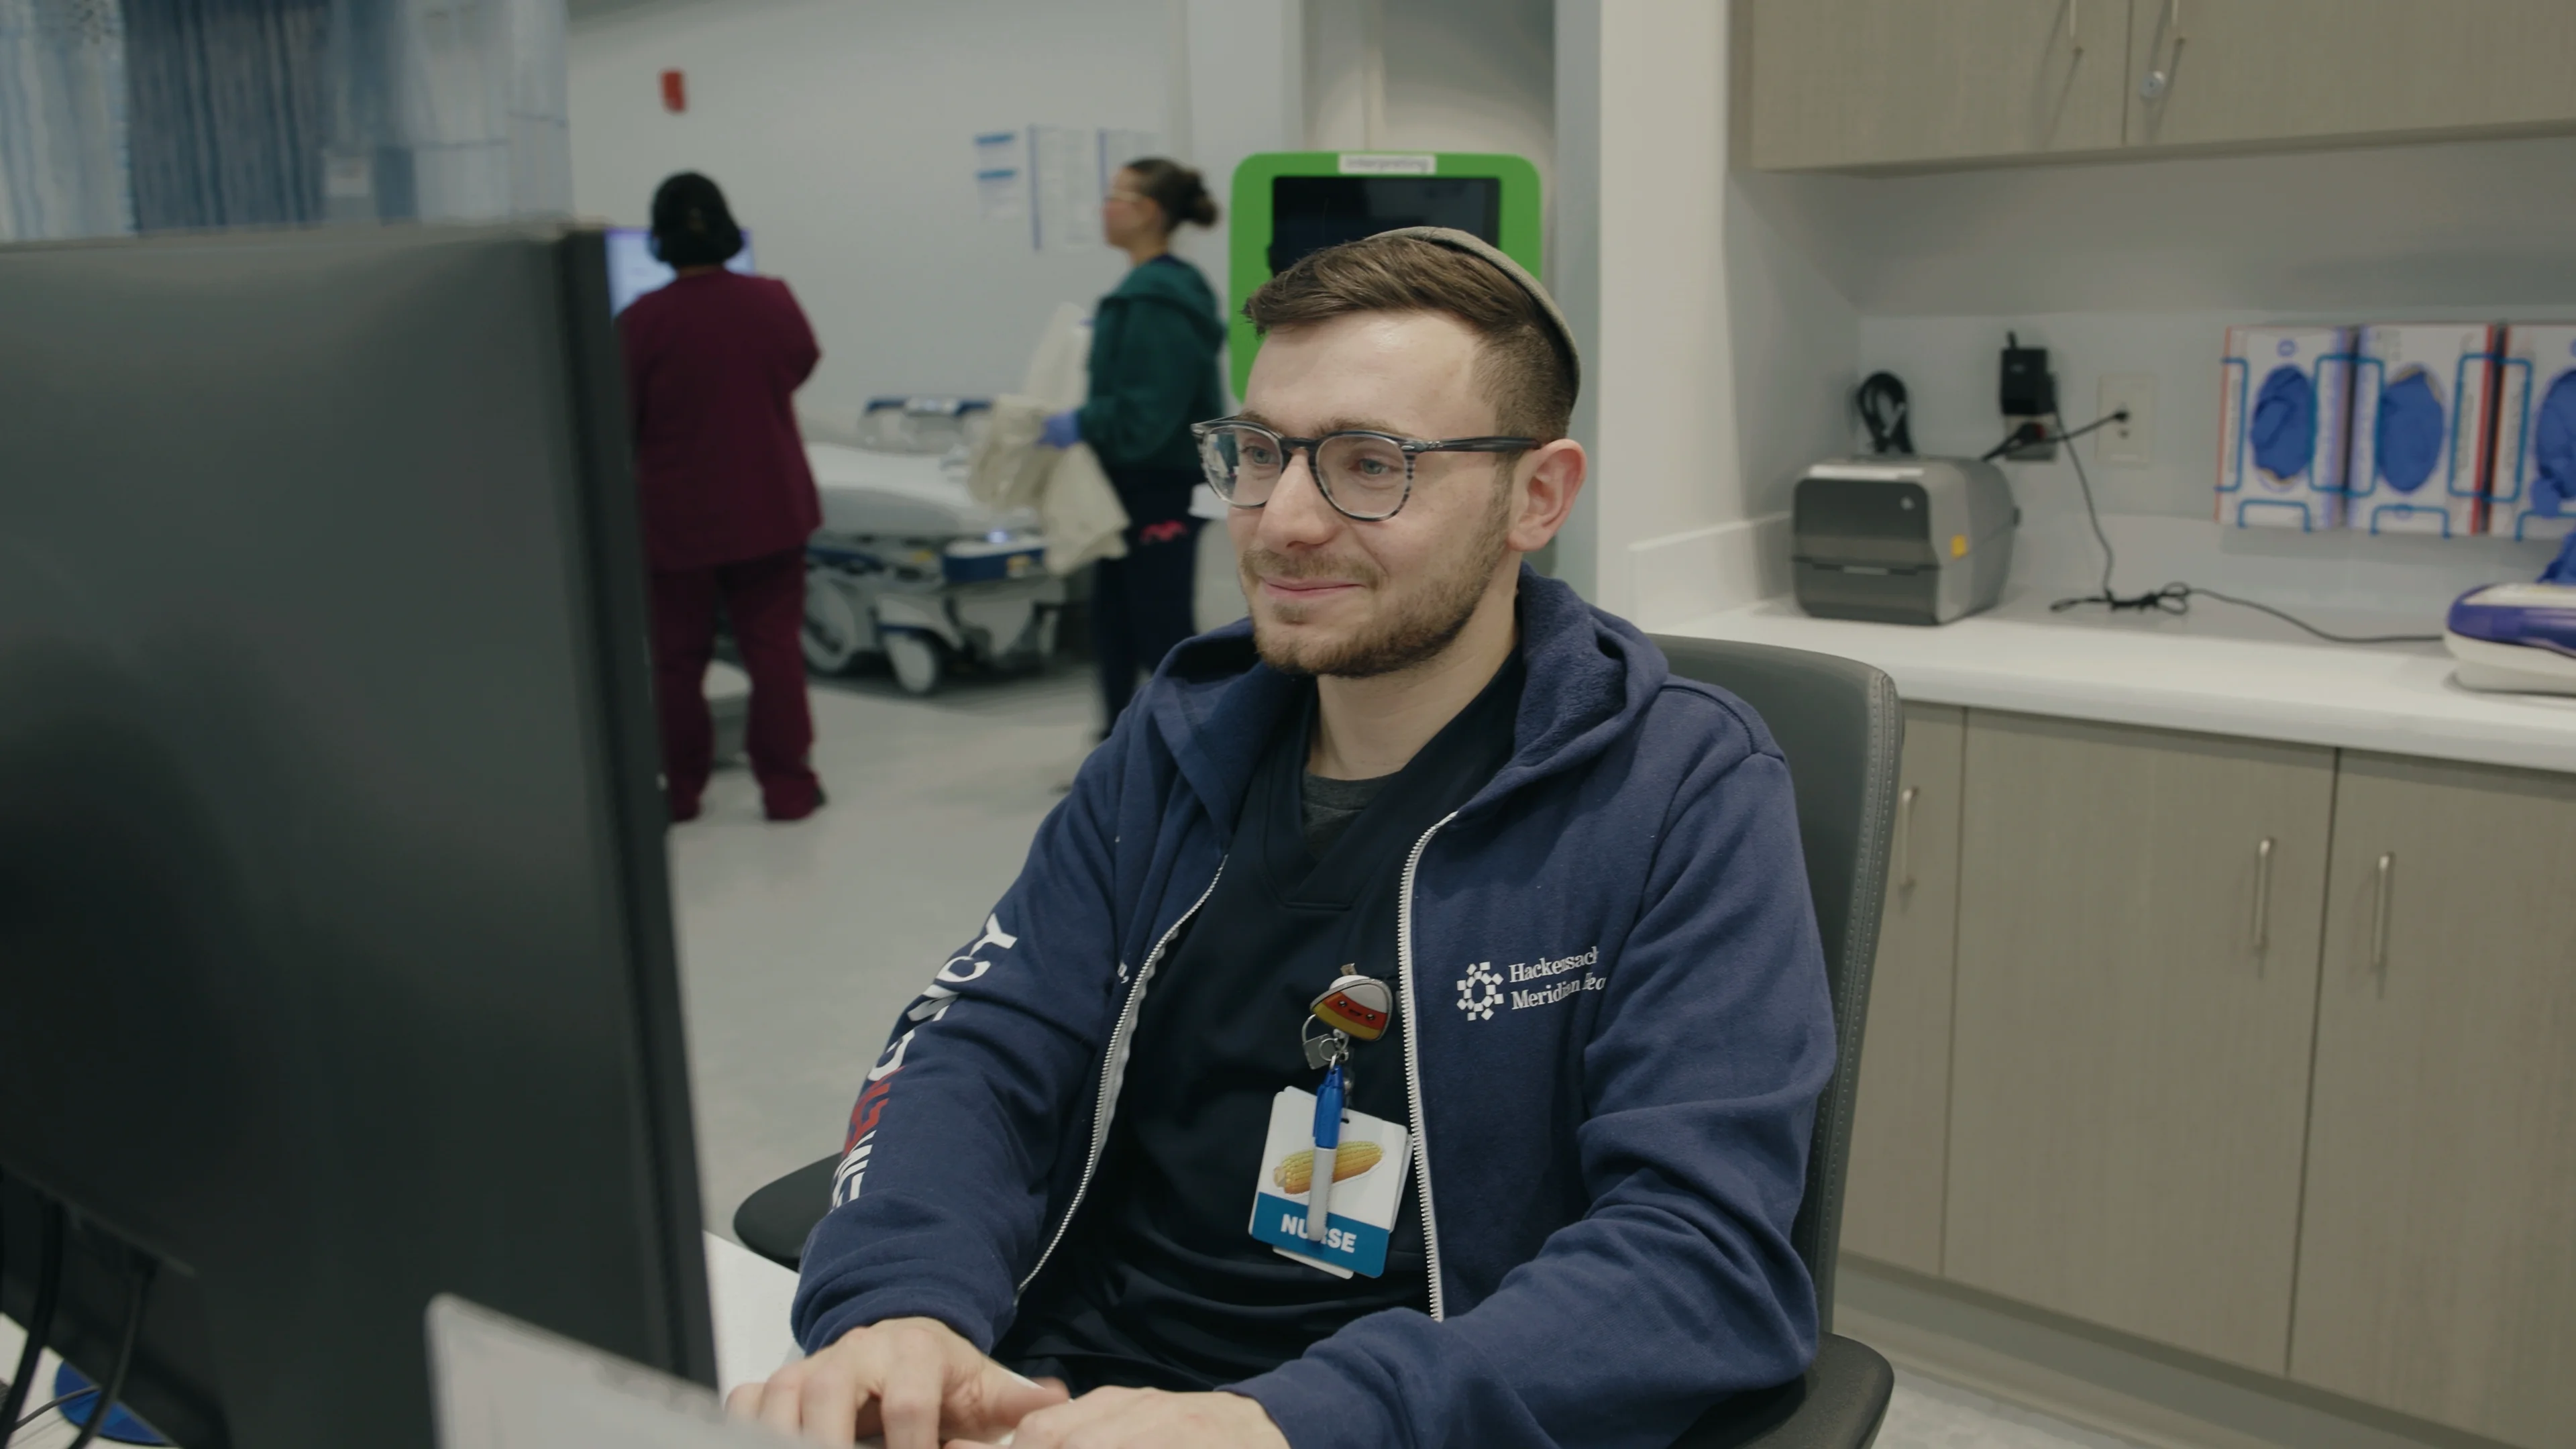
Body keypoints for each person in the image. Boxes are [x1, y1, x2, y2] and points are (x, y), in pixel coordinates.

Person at [736, 230, 1834, 1449]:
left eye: (1372, 464)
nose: (1284, 522)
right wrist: (899, 1300)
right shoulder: (1181, 737)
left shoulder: (1677, 790)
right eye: (1258, 455)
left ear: (1537, 496)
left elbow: (1702, 1257)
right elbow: (986, 1038)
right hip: (1063, 1395)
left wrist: (1280, 1424)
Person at [620, 171, 827, 823]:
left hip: (676, 524)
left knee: (677, 662)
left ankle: (681, 792)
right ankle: (788, 789)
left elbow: (619, 416)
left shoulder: (639, 323)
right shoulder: (773, 301)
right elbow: (798, 365)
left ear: (658, 240)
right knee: (774, 651)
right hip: (770, 510)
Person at [1043, 157, 1228, 734]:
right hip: (1130, 484)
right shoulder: (1147, 291)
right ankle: (1119, 750)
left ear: (1147, 211)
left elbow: (1147, 414)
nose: (1104, 208)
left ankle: (1198, 751)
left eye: (1115, 196)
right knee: (1115, 621)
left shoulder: (1157, 299)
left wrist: (1085, 421)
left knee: (1157, 625)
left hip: (1156, 485)